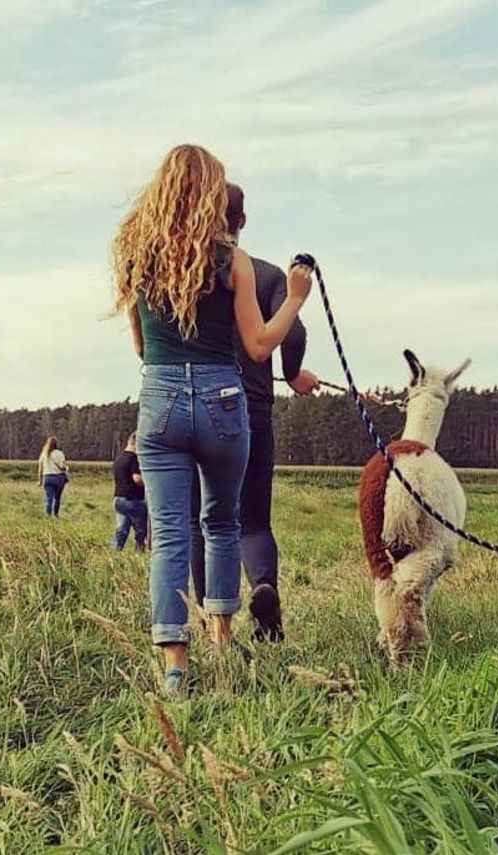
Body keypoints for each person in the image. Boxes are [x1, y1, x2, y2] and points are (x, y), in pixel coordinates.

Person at [111, 143, 313, 696]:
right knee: (222, 523)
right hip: (225, 400)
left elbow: (138, 345)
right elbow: (258, 343)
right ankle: (222, 639)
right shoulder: (232, 262)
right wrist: (294, 297)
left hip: (160, 398)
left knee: (172, 533)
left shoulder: (135, 257)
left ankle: (176, 665)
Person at [190, 183, 319, 642]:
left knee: (198, 523)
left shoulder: (184, 272)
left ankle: (212, 624)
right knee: (254, 519)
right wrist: (294, 371)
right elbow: (294, 330)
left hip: (194, 404)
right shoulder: (265, 276)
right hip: (253, 408)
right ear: (242, 221)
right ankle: (263, 585)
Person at [112, 432, 148, 551]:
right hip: (134, 500)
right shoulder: (134, 459)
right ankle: (139, 551)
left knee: (121, 529)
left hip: (119, 499)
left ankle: (115, 550)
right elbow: (137, 479)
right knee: (141, 531)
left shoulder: (118, 459)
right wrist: (148, 483)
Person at [37, 436, 69, 516]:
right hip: (59, 479)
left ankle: (48, 516)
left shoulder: (44, 454)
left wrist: (40, 480)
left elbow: (40, 468)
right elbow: (62, 467)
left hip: (47, 478)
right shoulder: (60, 453)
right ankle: (56, 515)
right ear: (56, 444)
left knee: (49, 499)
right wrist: (67, 467)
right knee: (57, 498)